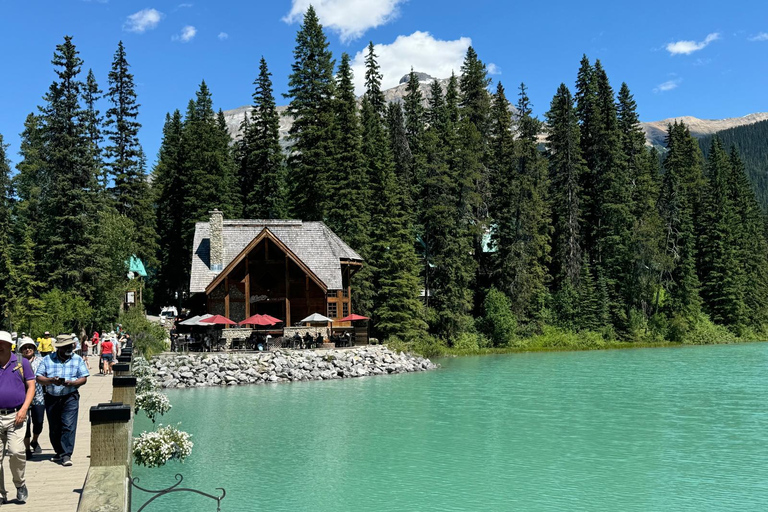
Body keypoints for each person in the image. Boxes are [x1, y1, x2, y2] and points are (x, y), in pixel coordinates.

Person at [35, 335, 89, 467]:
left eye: (70, 346)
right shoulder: (47, 359)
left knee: (68, 425)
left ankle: (66, 454)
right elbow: (38, 377)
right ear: (59, 348)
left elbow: (84, 377)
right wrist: (51, 380)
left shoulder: (77, 359)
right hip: (52, 397)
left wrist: (73, 382)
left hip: (70, 396)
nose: (69, 348)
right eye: (66, 347)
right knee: (54, 426)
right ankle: (59, 451)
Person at [0, 331, 35, 503]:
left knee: (16, 451)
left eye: (2, 343)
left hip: (16, 415)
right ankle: (1, 494)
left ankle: (20, 484)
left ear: (9, 345)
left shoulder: (22, 362)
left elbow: (31, 386)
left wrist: (24, 408)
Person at [18, 338, 44, 460]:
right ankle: (27, 448)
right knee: (26, 424)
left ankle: (35, 440)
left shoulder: (41, 361)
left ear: (34, 349)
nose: (27, 349)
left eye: (30, 347)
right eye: (24, 347)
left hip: (39, 396)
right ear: (21, 350)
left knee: (38, 422)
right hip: (22, 397)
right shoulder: (17, 362)